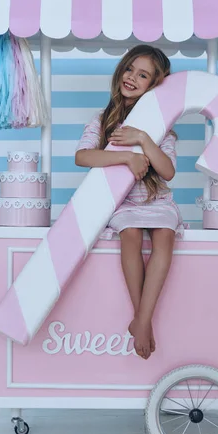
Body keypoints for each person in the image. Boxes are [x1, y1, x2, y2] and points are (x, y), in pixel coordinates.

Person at [75, 45, 184, 360]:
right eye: (129, 69)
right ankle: (143, 319)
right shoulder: (103, 119)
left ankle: (142, 319)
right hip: (123, 204)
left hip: (157, 201)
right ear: (120, 70)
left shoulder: (161, 130)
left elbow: (168, 171)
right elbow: (82, 156)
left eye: (143, 75)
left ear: (153, 85)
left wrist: (143, 140)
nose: (132, 78)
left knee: (164, 236)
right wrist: (125, 156)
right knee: (131, 235)